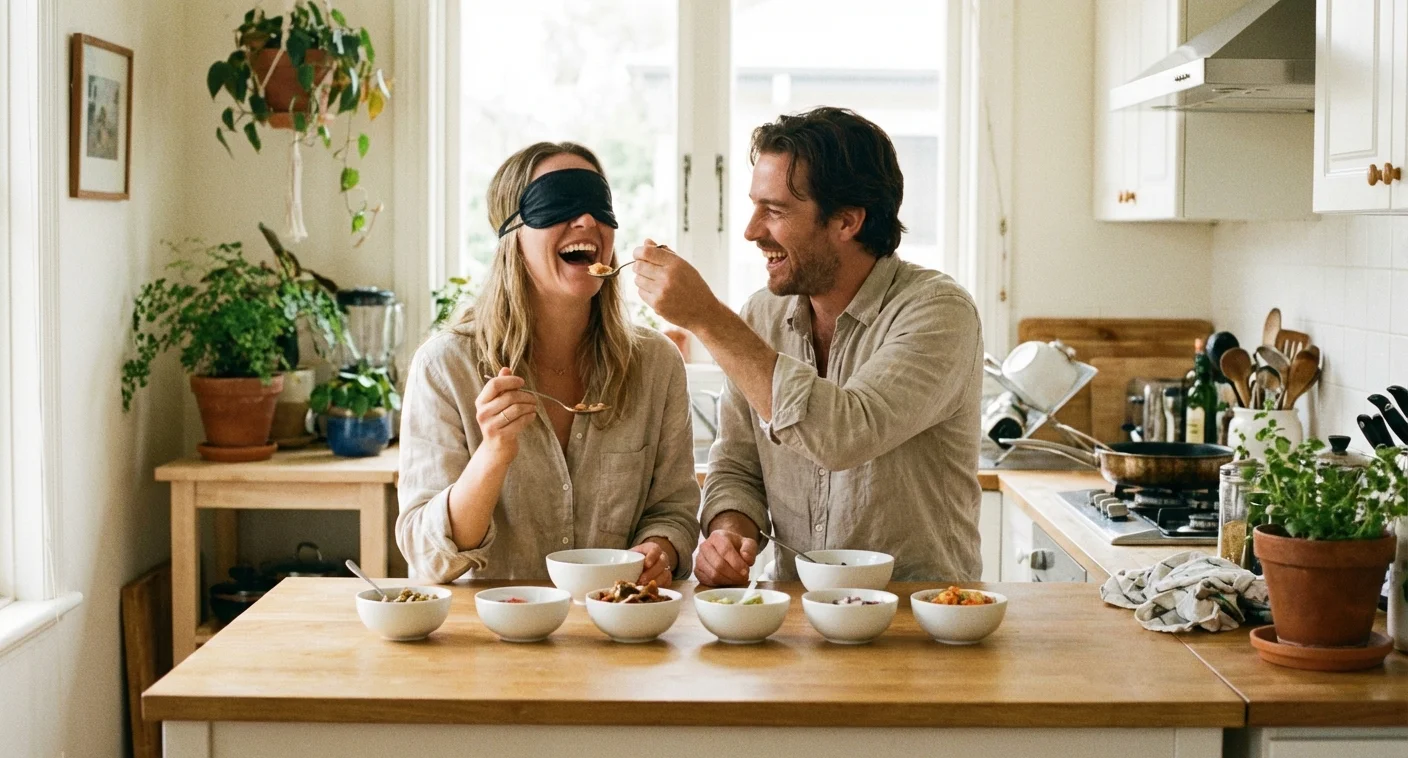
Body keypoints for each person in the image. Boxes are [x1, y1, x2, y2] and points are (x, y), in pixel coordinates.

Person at [633, 107, 984, 585]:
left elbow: (844, 433)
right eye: (755, 206)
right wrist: (729, 532)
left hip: (919, 622)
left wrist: (705, 316)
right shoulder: (762, 315)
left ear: (846, 221)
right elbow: (739, 466)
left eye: (774, 211)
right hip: (799, 622)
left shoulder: (939, 313)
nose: (752, 231)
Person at [397, 141, 700, 585]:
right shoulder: (445, 367)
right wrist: (494, 453)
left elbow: (673, 510)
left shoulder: (656, 365)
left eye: (599, 205)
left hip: (618, 632)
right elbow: (429, 557)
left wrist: (660, 549)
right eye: (559, 203)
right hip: (491, 640)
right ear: (511, 235)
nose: (587, 221)